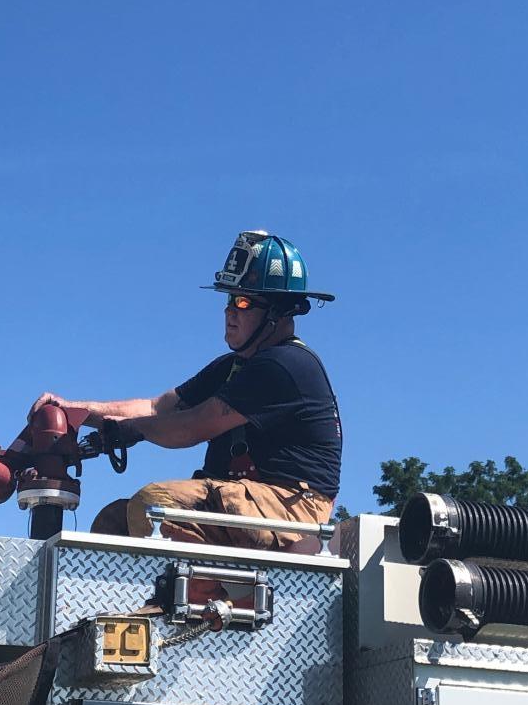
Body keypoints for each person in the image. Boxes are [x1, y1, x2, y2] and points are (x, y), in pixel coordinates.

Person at [29, 230, 342, 550]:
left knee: (153, 506)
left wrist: (129, 430)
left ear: (277, 311)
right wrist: (74, 411)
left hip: (292, 508)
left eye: (243, 301)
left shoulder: (285, 365)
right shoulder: (231, 367)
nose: (229, 312)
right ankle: (159, 598)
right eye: (228, 299)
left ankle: (211, 598)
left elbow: (193, 426)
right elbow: (158, 408)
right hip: (248, 501)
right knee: (115, 523)